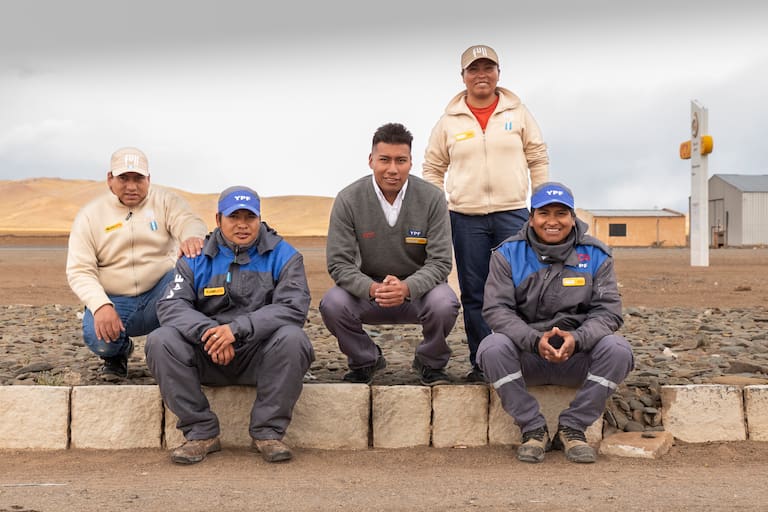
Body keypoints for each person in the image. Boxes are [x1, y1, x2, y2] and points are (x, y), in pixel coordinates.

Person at [145, 186, 314, 464]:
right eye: (234, 217)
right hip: (207, 353)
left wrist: (235, 331)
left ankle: (268, 433)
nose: (242, 225)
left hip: (258, 356)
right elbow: (171, 306)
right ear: (218, 219)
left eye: (250, 217)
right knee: (160, 340)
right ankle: (201, 433)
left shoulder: (284, 255)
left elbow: (292, 308)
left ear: (260, 218)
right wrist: (210, 334)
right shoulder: (195, 257)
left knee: (293, 339)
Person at [477, 182, 634, 464]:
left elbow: (608, 312)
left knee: (618, 350)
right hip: (527, 358)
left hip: (577, 358)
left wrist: (578, 339)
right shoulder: (507, 254)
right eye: (544, 213)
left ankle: (572, 427)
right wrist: (534, 341)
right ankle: (532, 429)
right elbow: (497, 310)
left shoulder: (596, 255)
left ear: (573, 217)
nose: (552, 221)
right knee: (491, 347)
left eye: (561, 213)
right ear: (531, 218)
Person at [422, 44, 550, 383]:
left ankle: (523, 356)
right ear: (463, 76)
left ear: (498, 73)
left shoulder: (518, 113)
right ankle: (482, 362)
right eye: (474, 69)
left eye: (488, 68)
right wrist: (439, 207)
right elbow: (433, 168)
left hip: (512, 213)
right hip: (465, 218)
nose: (482, 75)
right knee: (474, 292)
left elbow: (537, 157)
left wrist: (539, 205)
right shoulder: (448, 122)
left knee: (521, 288)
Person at [320, 122, 459, 386]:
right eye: (384, 160)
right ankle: (365, 359)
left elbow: (441, 262)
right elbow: (339, 263)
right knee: (333, 303)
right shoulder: (348, 199)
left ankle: (430, 362)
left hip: (419, 293)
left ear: (410, 162)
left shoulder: (432, 198)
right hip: (368, 293)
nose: (392, 169)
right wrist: (373, 289)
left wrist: (406, 288)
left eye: (400, 160)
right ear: (371, 160)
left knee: (445, 303)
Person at [66, 147, 208, 378]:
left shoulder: (165, 201)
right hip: (116, 300)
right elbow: (80, 270)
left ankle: (185, 352)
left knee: (196, 270)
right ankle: (118, 353)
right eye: (124, 178)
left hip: (161, 292)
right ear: (110, 179)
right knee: (100, 339)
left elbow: (188, 221)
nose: (131, 186)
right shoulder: (90, 215)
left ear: (148, 179)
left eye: (138, 179)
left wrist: (192, 237)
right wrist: (100, 305)